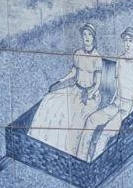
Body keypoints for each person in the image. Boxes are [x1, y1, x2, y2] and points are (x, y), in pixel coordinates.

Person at [28, 24, 102, 155]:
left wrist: (90, 94)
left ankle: (68, 152)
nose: (87, 37)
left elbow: (98, 83)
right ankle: (42, 143)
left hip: (90, 95)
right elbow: (73, 72)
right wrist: (60, 81)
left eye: (89, 34)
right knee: (50, 100)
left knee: (74, 119)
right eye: (84, 34)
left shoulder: (97, 57)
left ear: (93, 37)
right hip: (75, 90)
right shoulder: (78, 53)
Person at [77, 27, 133, 162]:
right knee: (91, 119)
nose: (127, 44)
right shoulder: (119, 61)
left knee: (105, 133)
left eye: (130, 41)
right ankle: (81, 158)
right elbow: (117, 86)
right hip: (116, 103)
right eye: (126, 40)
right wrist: (112, 104)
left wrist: (131, 111)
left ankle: (93, 164)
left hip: (127, 108)